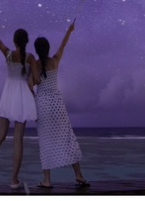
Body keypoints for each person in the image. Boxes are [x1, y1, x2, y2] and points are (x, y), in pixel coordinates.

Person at [0, 15, 38, 190]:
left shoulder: (9, 54)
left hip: (8, 95)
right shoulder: (30, 58)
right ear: (27, 41)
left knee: (0, 135)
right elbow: (35, 80)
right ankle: (14, 180)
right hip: (22, 97)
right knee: (18, 140)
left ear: (14, 41)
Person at [32, 22, 89, 190]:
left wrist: (32, 103)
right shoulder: (55, 60)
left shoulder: (34, 64)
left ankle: (47, 180)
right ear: (48, 48)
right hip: (57, 103)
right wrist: (69, 30)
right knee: (67, 138)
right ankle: (78, 174)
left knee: (45, 141)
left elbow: (31, 84)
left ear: (36, 50)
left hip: (42, 104)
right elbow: (64, 44)